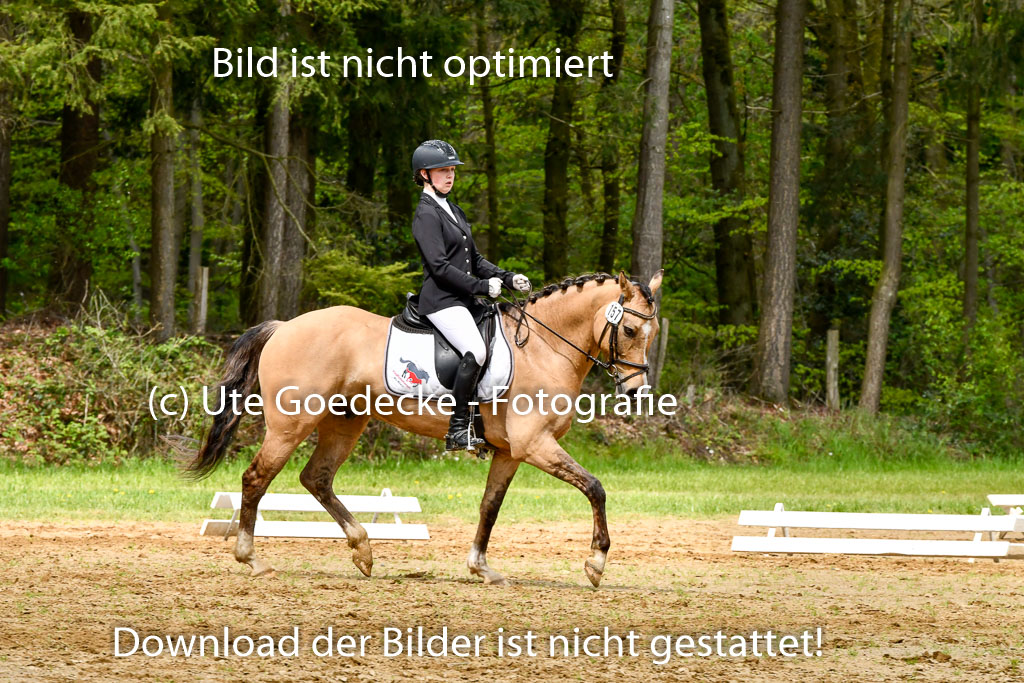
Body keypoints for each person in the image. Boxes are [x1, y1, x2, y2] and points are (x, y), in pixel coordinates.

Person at [410, 139, 531, 451]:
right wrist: (480, 287)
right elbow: (439, 267)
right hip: (441, 301)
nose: (450, 176)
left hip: (463, 299)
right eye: (442, 171)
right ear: (424, 174)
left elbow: (475, 260)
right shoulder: (426, 214)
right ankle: (458, 428)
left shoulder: (453, 209)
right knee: (476, 351)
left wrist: (507, 277)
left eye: (452, 170)